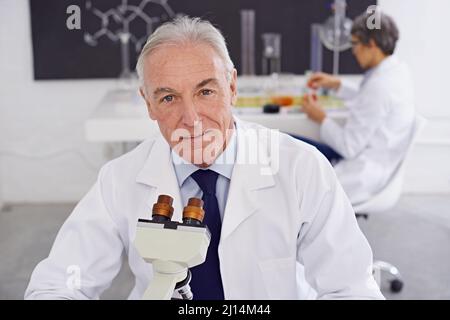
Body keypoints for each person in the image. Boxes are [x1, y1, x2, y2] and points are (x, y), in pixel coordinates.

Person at [25, 16, 383, 300]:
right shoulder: (119, 180)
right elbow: (59, 285)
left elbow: (351, 288)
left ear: (232, 87)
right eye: (168, 98)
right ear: (148, 103)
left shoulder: (301, 168)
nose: (191, 119)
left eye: (206, 91)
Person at [297, 11, 415, 205]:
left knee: (283, 143)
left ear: (372, 44)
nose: (353, 51)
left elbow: (348, 147)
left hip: (361, 172)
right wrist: (337, 84)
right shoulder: (396, 71)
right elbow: (370, 99)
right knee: (290, 144)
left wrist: (321, 117)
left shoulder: (380, 86)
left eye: (355, 44)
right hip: (373, 159)